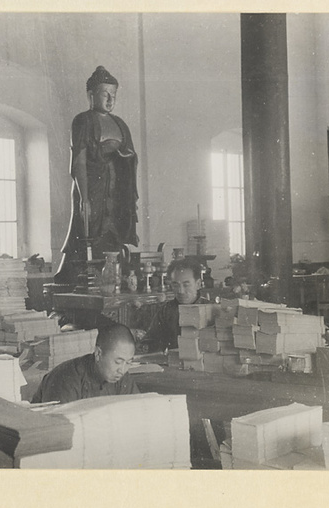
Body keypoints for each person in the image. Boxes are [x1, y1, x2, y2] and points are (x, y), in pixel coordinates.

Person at [55, 66, 139, 284]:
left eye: (114, 95)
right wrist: (84, 197)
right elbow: (79, 162)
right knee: (87, 232)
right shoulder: (83, 121)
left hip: (115, 189)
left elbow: (130, 156)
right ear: (91, 95)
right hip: (91, 189)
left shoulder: (120, 124)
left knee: (114, 232)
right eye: (105, 94)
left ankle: (112, 272)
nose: (110, 100)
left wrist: (124, 155)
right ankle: (79, 275)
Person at [31, 323, 140, 404]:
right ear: (98, 354)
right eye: (118, 362)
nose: (122, 370)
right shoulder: (65, 379)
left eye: (129, 362)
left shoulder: (123, 378)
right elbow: (59, 429)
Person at [141, 257, 210, 352]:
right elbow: (151, 341)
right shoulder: (166, 311)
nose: (180, 291)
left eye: (186, 285)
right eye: (175, 285)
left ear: (198, 284)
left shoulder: (211, 309)